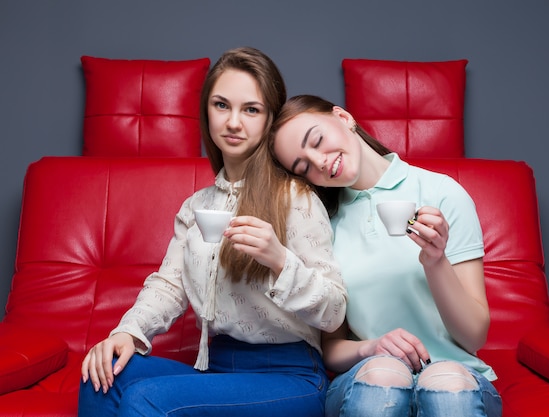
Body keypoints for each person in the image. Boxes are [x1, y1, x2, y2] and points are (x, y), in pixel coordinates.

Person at [78, 49, 347, 417]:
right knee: (102, 374)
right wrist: (128, 333)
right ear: (207, 111)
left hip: (291, 375)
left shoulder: (295, 198)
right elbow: (169, 285)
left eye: (251, 109)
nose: (234, 122)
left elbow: (334, 310)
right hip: (217, 367)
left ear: (270, 119)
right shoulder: (196, 206)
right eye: (222, 105)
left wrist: (279, 260)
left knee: (146, 400)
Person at [270, 94, 502, 417]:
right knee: (384, 373)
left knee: (445, 386)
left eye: (317, 140)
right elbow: (331, 348)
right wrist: (372, 348)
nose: (319, 162)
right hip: (372, 379)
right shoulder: (322, 226)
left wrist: (436, 262)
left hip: (456, 376)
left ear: (343, 117)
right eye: (304, 166)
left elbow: (474, 334)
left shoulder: (442, 193)